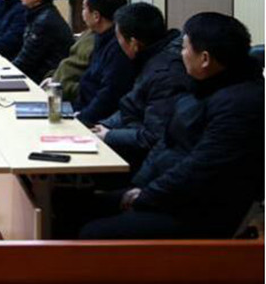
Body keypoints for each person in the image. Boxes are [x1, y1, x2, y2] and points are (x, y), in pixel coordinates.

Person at [80, 13, 263, 239]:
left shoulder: (240, 106)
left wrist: (145, 196)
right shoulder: (202, 86)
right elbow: (166, 143)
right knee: (74, 207)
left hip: (198, 212)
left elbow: (201, 170)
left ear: (205, 59)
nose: (180, 54)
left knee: (92, 233)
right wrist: (140, 186)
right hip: (165, 193)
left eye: (185, 48)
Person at [92, 3, 189, 169]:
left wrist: (109, 135)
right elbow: (132, 105)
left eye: (118, 38)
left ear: (133, 43)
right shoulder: (153, 58)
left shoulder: (164, 74)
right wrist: (104, 126)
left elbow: (154, 136)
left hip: (145, 159)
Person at [73, 0, 135, 125]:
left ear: (96, 16)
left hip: (99, 121)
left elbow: (109, 94)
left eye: (84, 8)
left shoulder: (118, 47)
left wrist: (82, 119)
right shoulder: (100, 37)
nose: (82, 13)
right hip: (83, 109)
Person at [12, 0, 73, 84]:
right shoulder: (40, 13)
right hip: (38, 73)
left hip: (45, 79)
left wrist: (5, 72)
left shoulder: (44, 21)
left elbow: (26, 61)